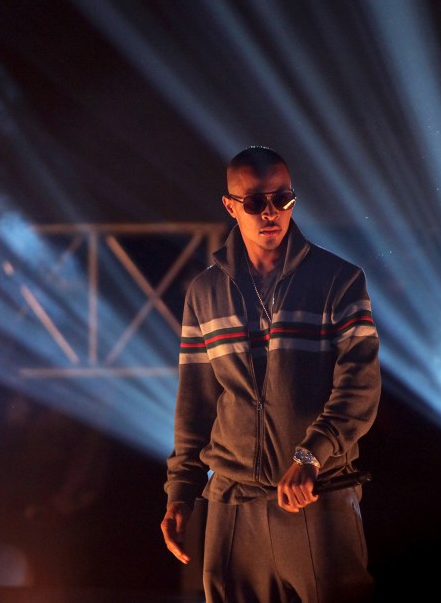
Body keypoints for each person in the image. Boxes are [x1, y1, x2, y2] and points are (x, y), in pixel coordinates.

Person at [161, 146, 381, 602]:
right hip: (231, 507)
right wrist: (180, 491)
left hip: (317, 500)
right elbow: (195, 403)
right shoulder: (204, 292)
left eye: (283, 199)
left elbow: (360, 388)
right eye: (256, 202)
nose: (271, 213)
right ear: (230, 207)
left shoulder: (340, 281)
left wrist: (310, 456)